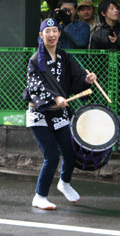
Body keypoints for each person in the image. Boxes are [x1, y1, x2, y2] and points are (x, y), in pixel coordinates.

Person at [23, 18, 96, 210]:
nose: (52, 34)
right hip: (39, 114)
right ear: (41, 35)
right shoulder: (35, 60)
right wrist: (55, 97)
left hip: (59, 114)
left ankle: (64, 182)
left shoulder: (64, 56)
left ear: (59, 34)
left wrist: (87, 80)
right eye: (48, 31)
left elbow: (77, 77)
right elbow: (35, 87)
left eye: (55, 31)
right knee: (52, 156)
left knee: (70, 152)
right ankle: (39, 196)